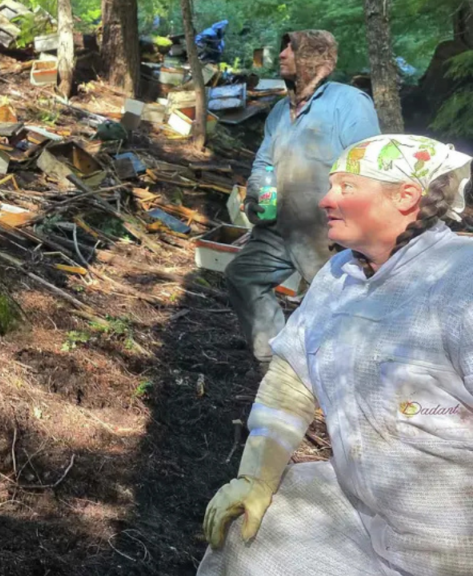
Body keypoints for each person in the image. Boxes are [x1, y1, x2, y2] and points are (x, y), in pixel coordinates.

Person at [198, 134, 473, 576]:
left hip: (452, 551)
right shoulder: (338, 275)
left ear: (405, 197)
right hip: (364, 519)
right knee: (246, 531)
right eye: (330, 186)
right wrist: (256, 477)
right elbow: (291, 382)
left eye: (346, 188)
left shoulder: (461, 279)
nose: (326, 200)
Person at [226, 30, 381, 368]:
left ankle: (340, 381)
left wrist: (356, 228)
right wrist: (258, 197)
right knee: (243, 276)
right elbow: (265, 162)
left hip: (328, 234)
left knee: (337, 310)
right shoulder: (281, 111)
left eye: (291, 49)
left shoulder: (349, 102)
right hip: (279, 228)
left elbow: (367, 167)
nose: (281, 55)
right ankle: (274, 361)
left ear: (312, 58)